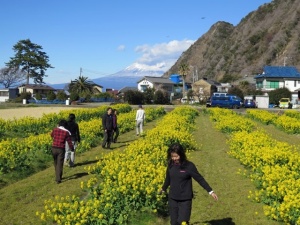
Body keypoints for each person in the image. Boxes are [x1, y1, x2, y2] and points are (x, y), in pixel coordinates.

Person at [160, 143, 218, 225]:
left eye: (176, 156)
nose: (174, 159)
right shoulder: (170, 165)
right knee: (174, 223)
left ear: (181, 154)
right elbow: (168, 179)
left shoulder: (189, 166)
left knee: (182, 222)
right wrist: (163, 188)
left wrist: (210, 191)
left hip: (185, 199)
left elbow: (200, 179)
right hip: (173, 198)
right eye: (172, 156)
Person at [51, 119, 74, 184]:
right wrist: (72, 148)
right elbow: (69, 142)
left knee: (55, 163)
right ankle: (58, 178)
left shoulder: (55, 129)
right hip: (61, 149)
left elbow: (51, 135)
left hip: (54, 148)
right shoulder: (66, 132)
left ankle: (57, 175)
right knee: (60, 163)